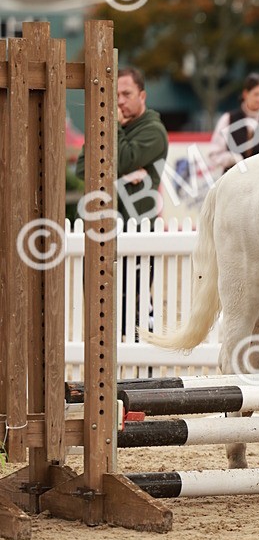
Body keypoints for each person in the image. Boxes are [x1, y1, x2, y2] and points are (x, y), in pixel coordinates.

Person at [75, 67, 168, 338]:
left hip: (136, 230)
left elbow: (123, 159)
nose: (119, 101)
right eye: (114, 95)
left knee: (132, 313)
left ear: (142, 96)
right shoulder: (108, 127)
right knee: (100, 312)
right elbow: (83, 169)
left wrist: (112, 125)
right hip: (102, 230)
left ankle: (143, 361)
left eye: (126, 94)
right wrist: (123, 174)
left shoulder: (154, 131)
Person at [207, 72, 259, 174]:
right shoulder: (228, 119)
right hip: (232, 179)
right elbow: (213, 155)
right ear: (245, 94)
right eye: (256, 94)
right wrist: (231, 158)